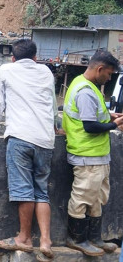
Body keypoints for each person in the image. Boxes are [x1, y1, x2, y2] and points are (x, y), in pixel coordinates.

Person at [0, 40, 57, 260]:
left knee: (23, 190)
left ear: (13, 57)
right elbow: (51, 103)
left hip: (21, 136)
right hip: (45, 138)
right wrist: (55, 128)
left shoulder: (6, 70)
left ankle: (24, 238)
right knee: (41, 191)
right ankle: (47, 240)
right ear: (35, 57)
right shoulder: (46, 71)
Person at [62, 50, 123, 256]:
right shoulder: (86, 91)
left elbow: (93, 116)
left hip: (98, 155)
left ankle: (94, 237)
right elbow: (89, 126)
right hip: (87, 154)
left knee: (97, 197)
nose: (109, 77)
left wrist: (109, 115)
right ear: (100, 69)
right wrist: (113, 124)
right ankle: (77, 238)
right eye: (109, 74)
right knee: (83, 196)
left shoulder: (86, 85)